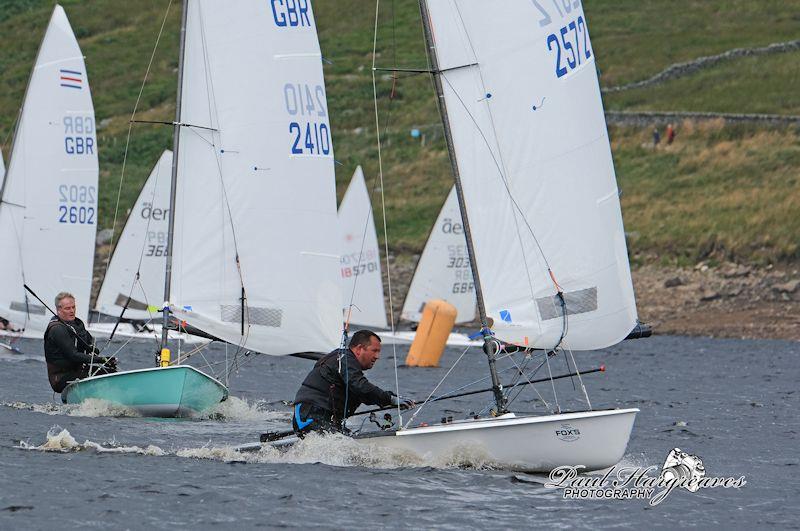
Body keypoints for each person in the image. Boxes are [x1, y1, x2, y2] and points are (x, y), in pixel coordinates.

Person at [292, 330, 413, 436]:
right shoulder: (345, 359)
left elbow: (365, 394)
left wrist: (392, 399)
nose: (377, 356)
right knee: (346, 447)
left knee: (347, 442)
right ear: (359, 349)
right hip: (309, 417)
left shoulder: (347, 366)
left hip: (323, 418)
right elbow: (362, 387)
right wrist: (391, 399)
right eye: (374, 351)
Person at [44, 292, 116, 393]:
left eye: (73, 307)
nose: (72, 311)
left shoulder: (76, 324)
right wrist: (101, 360)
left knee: (112, 373)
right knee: (104, 376)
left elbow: (88, 340)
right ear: (59, 310)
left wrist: (92, 348)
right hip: (61, 378)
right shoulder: (57, 329)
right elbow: (73, 355)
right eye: (67, 308)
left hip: (78, 371)